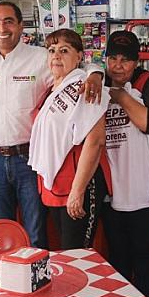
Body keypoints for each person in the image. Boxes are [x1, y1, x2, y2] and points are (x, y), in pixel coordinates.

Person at [0, 2, 102, 248]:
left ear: (21, 26)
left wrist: (96, 74)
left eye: (9, 21)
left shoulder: (40, 57)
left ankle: (36, 282)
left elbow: (77, 63)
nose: (2, 28)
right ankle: (7, 282)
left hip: (29, 160)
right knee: (1, 232)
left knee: (35, 232)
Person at [28, 29, 109, 250]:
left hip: (77, 184)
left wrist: (78, 190)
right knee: (65, 251)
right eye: (52, 50)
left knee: (78, 256)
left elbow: (95, 141)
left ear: (80, 56)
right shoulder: (51, 88)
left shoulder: (86, 86)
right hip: (56, 186)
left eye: (64, 50)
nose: (56, 55)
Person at [101, 30, 149, 297]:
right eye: (112, 58)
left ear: (136, 61)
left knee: (143, 249)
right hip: (111, 186)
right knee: (117, 251)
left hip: (145, 187)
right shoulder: (98, 81)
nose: (118, 65)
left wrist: (122, 97)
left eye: (126, 60)